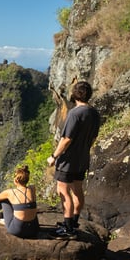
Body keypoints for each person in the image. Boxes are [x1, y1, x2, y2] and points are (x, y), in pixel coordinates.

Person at [47, 81, 101, 237]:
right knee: (77, 190)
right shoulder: (94, 113)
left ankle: (68, 228)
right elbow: (93, 138)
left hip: (68, 160)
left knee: (63, 191)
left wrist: (53, 156)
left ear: (75, 94)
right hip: (83, 159)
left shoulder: (75, 113)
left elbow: (66, 139)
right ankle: (73, 221)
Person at [0, 164, 40, 238]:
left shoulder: (10, 192)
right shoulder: (32, 188)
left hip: (17, 230)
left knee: (4, 200)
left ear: (16, 180)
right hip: (34, 229)